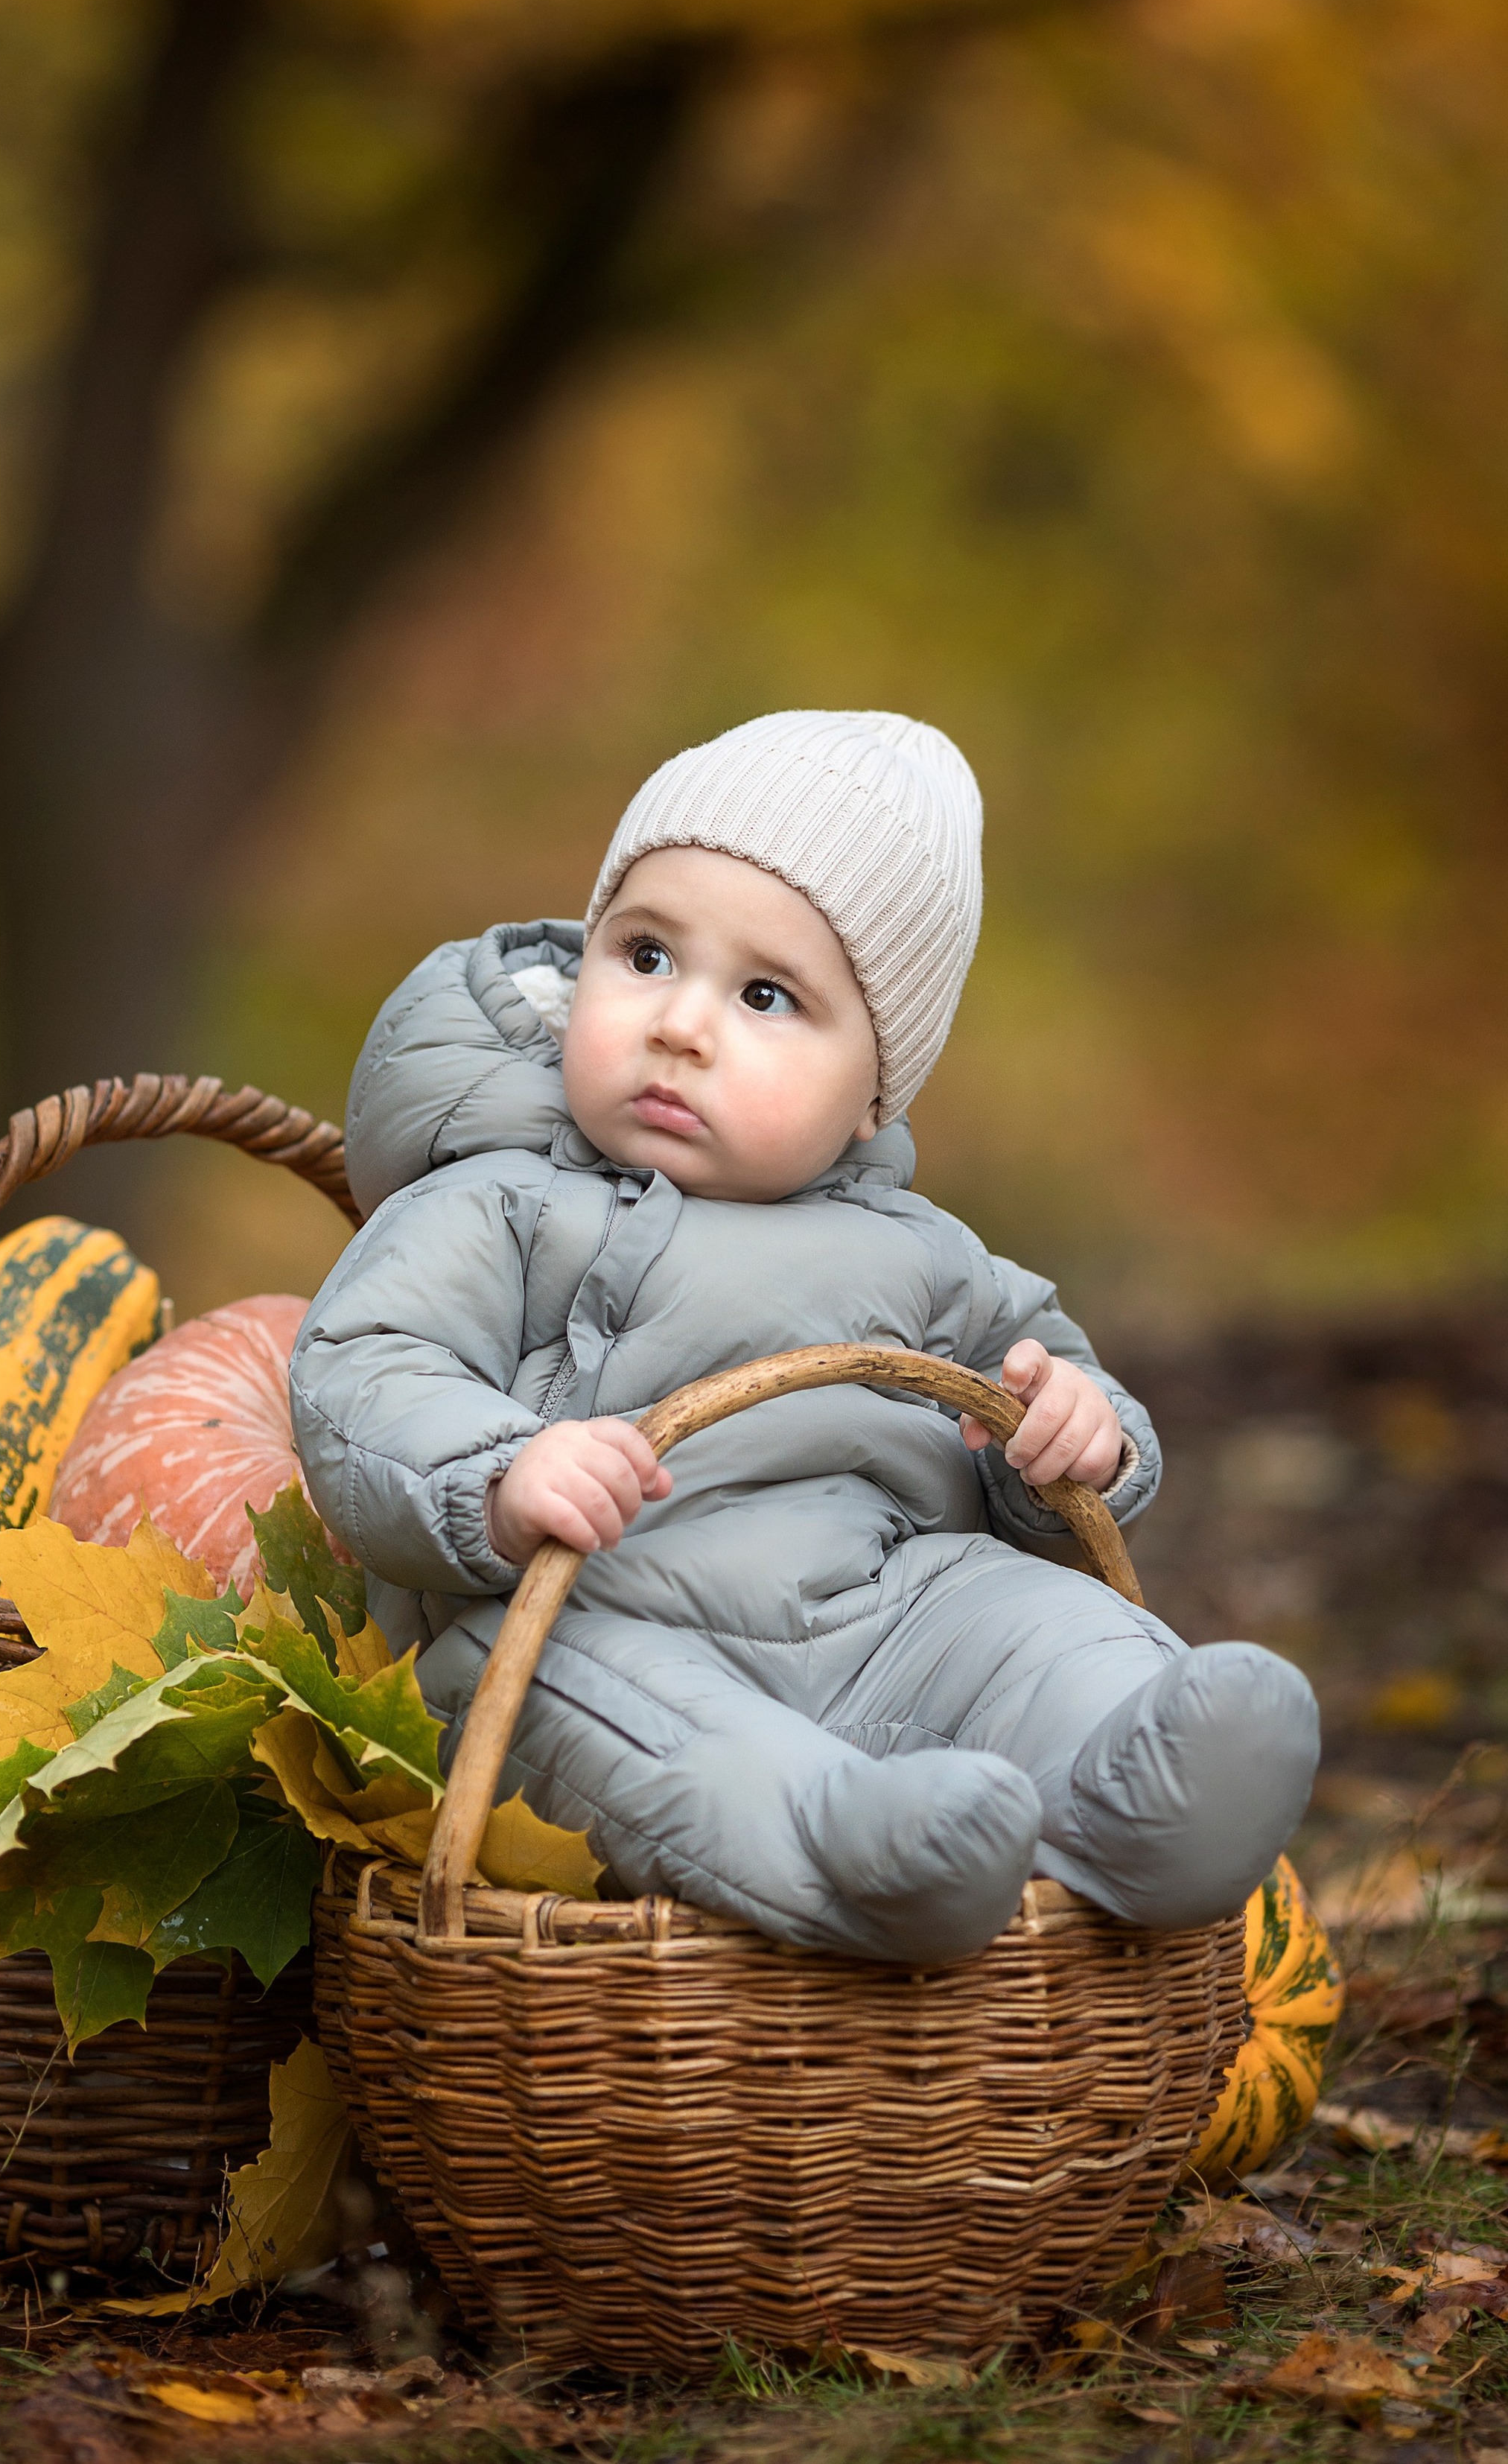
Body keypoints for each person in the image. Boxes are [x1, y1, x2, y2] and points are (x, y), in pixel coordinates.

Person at [288, 711, 1318, 1960]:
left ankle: (1133, 1790)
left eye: (766, 995)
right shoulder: (498, 1199)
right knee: (627, 1722)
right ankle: (847, 1857)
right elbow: (368, 1365)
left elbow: (1032, 1383)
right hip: (585, 1624)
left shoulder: (925, 1250)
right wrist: (497, 1477)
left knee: (1018, 1623)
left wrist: (1072, 1442)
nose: (680, 1022)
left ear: (874, 1089)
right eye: (648, 954)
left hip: (877, 1613)